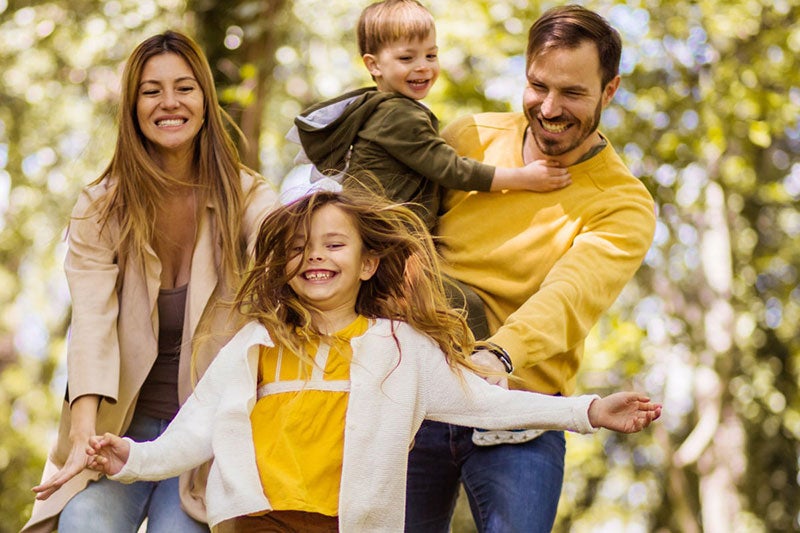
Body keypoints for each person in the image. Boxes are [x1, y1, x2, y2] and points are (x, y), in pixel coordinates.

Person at [76, 189, 659, 532]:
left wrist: (589, 411)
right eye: (299, 247)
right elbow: (194, 433)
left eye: (334, 245)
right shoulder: (256, 342)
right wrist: (132, 457)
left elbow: (488, 403)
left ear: (368, 264)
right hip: (255, 526)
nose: (314, 258)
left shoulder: (398, 347)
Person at [404, 5, 658, 532]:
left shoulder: (623, 203)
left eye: (572, 93)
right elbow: (401, 234)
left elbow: (568, 296)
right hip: (416, 391)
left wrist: (499, 356)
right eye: (538, 85)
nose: (549, 107)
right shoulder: (468, 138)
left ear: (610, 91)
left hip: (520, 411)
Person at [24, 31, 277, 532]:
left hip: (204, 436)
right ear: (132, 106)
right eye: (151, 90)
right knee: (83, 526)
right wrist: (82, 437)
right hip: (118, 429)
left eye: (184, 88)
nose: (169, 103)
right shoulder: (101, 206)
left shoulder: (248, 198)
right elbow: (92, 325)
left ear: (205, 99)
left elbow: (281, 250)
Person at [283, 0, 571, 230]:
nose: (423, 67)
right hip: (382, 237)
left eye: (431, 56)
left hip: (377, 231)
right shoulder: (397, 114)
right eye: (406, 58)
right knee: (466, 304)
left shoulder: (382, 107)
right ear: (374, 65)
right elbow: (452, 170)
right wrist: (523, 178)